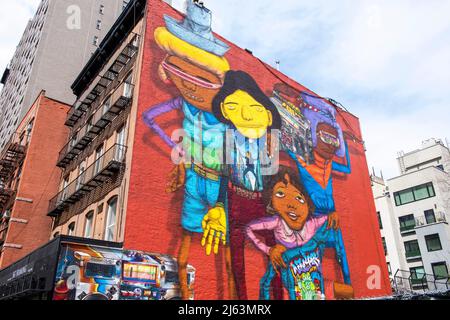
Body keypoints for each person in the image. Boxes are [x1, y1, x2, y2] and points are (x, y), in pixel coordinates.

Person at [142, 0, 235, 299]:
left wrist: (222, 200)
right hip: (194, 180)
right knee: (184, 252)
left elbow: (236, 157)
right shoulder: (183, 103)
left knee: (227, 255)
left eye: (197, 78)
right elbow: (149, 118)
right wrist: (179, 155)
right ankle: (185, 298)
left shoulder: (226, 112)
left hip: (218, 182)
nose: (190, 86)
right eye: (181, 76)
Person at [206, 70, 283, 300]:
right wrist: (219, 205)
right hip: (235, 199)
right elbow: (223, 175)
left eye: (254, 108)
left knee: (275, 256)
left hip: (263, 202)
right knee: (236, 262)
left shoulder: (270, 142)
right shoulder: (227, 139)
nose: (245, 116)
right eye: (233, 106)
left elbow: (272, 177)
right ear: (223, 111)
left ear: (268, 116)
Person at [248, 165, 353, 300]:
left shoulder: (312, 224)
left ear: (307, 205)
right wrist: (269, 250)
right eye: (281, 194)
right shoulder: (277, 224)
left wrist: (333, 215)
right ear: (271, 202)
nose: (292, 204)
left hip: (317, 288)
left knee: (348, 291)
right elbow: (248, 229)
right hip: (295, 289)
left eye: (299, 198)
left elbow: (330, 219)